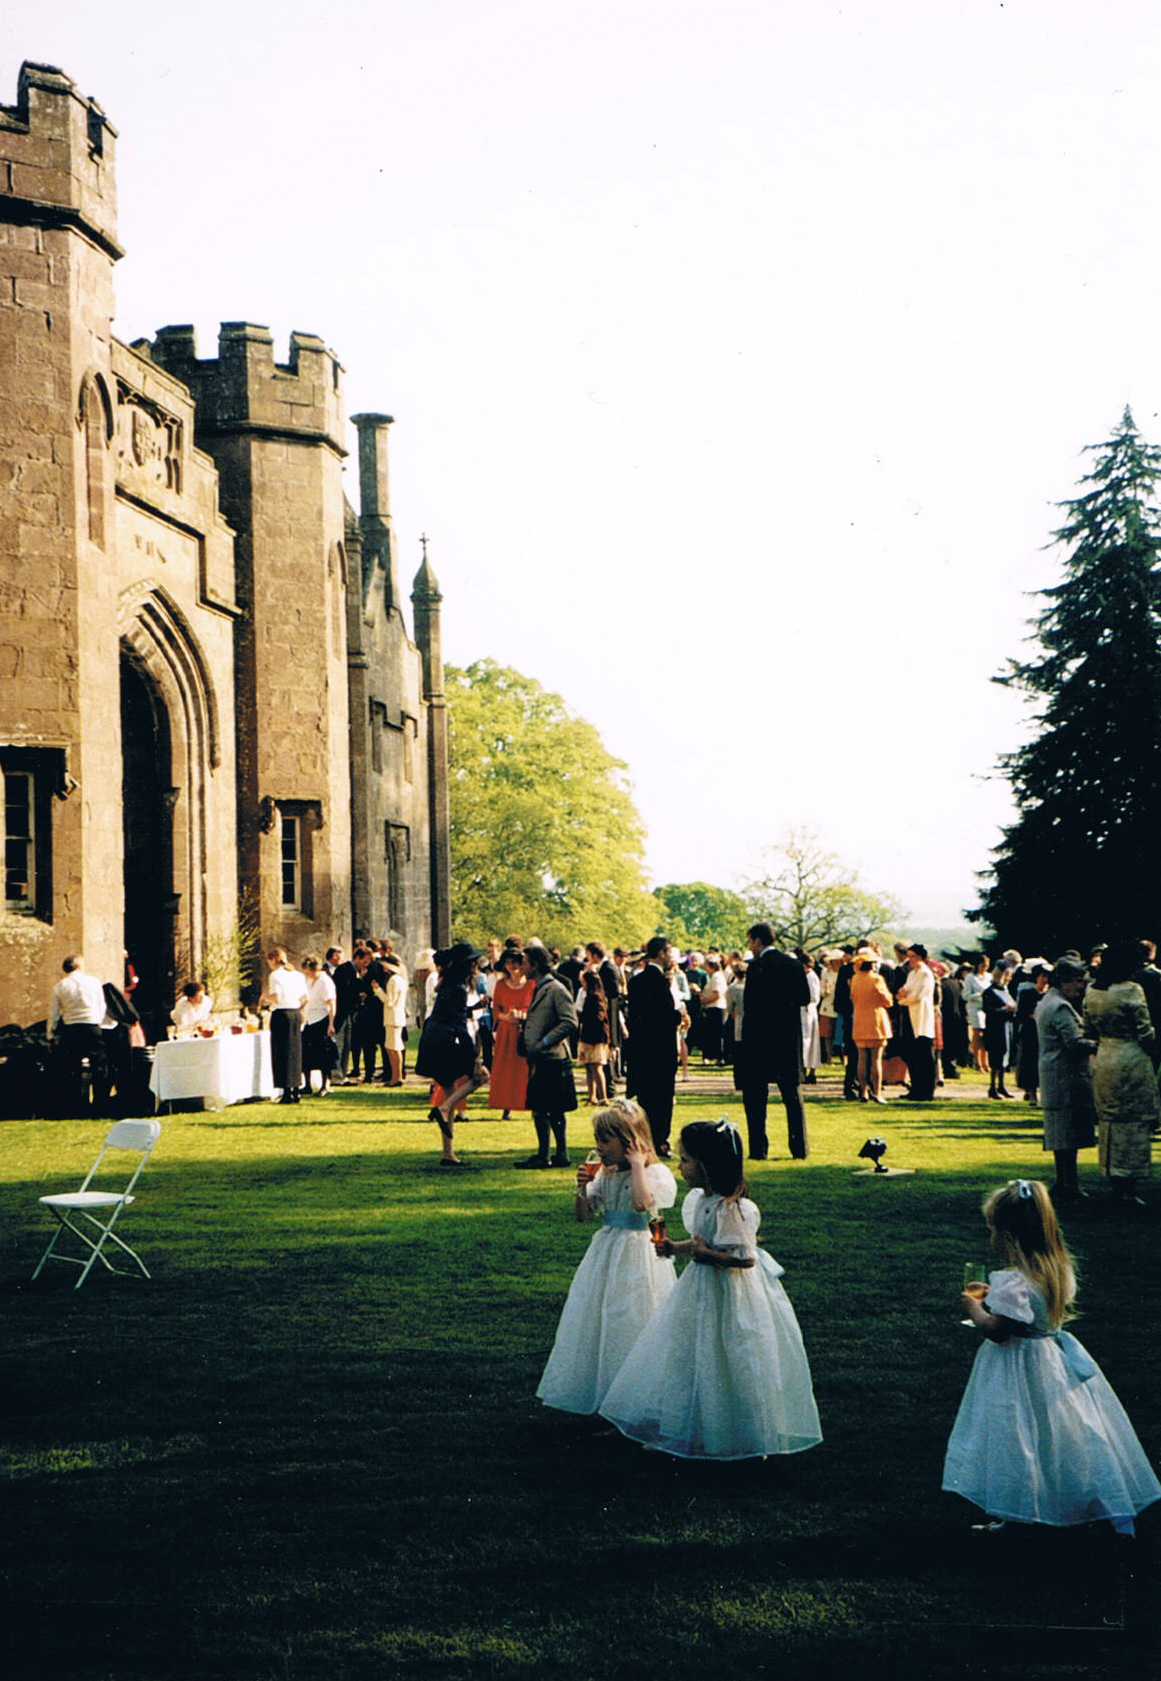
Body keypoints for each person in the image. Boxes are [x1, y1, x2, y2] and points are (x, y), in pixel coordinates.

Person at [943, 1179, 1161, 1534]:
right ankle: (1051, 1502)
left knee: (1017, 1432)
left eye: (992, 1230)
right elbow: (1031, 1313)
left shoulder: (1015, 1282)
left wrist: (975, 1308)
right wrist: (994, 1298)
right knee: (1056, 1431)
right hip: (1052, 1362)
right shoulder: (1057, 1269)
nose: (990, 1238)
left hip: (1017, 1367)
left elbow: (998, 1330)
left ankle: (1020, 1508)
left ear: (1009, 1236)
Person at [599, 1119, 822, 1460]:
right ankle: (690, 1427)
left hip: (729, 1294)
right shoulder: (700, 1201)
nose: (680, 1166)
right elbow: (701, 1241)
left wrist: (707, 1256)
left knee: (730, 1354)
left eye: (686, 1160)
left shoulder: (732, 1208)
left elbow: (744, 1259)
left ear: (706, 1165)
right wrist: (676, 1248)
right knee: (690, 1351)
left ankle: (741, 1433)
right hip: (699, 1289)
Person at [536, 1099, 678, 1414]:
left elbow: (641, 1204)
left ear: (630, 1141)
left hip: (638, 1251)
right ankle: (605, 1394)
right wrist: (581, 1189)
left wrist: (638, 1166)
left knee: (632, 1315)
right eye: (597, 1140)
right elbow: (583, 1216)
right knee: (602, 1316)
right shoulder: (606, 1174)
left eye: (606, 1140)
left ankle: (634, 1399)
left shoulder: (653, 1173)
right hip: (608, 1249)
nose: (599, 1147)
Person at [1083, 939, 1160, 1207]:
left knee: (1110, 1120)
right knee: (1133, 1120)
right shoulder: (1131, 990)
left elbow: (1088, 1029)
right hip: (1131, 1056)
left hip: (1105, 1057)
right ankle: (1129, 1184)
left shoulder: (1093, 991)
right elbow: (1144, 1030)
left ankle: (1113, 1177)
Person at [739, 922, 810, 1159]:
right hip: (786, 1038)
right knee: (792, 1096)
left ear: (758, 941)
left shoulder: (756, 968)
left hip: (760, 1039)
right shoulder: (793, 965)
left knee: (756, 1097)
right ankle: (799, 1148)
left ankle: (758, 1149)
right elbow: (804, 997)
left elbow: (750, 1006)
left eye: (751, 941)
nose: (750, 947)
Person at [414, 943, 489, 1166]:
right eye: (473, 962)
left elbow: (453, 1013)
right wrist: (475, 1058)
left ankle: (448, 1153)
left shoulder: (447, 984)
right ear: (467, 965)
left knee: (449, 1089)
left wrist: (473, 1009)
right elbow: (459, 1026)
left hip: (432, 1039)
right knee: (481, 1077)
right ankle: (445, 1108)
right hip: (446, 1040)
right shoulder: (458, 989)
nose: (476, 965)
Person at [1034, 957, 1097, 1201]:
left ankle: (1064, 1182)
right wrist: (1102, 1044)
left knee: (1060, 1134)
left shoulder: (1046, 1001)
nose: (1081, 987)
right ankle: (1069, 1184)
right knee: (1068, 1135)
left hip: (1053, 1075)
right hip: (1066, 1078)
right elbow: (1074, 1043)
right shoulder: (1061, 1007)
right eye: (1078, 981)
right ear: (1064, 981)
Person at [514, 943, 578, 1168]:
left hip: (552, 1057)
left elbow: (569, 1022)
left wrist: (544, 1042)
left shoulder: (556, 989)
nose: (521, 967)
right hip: (541, 1057)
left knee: (550, 1108)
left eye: (525, 962)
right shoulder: (541, 988)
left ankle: (554, 1154)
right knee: (541, 1108)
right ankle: (548, 1153)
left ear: (535, 965)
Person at [625, 935, 681, 1157]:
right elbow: (663, 1017)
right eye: (669, 952)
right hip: (660, 1049)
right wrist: (679, 1015)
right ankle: (659, 1142)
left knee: (646, 1099)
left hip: (642, 1050)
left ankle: (647, 1139)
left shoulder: (636, 981)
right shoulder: (658, 982)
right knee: (662, 1099)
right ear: (661, 953)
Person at [48, 954, 108, 1112]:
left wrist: (50, 1034)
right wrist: (98, 1022)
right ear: (79, 965)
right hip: (91, 1025)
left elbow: (54, 1014)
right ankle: (100, 1103)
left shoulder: (60, 986)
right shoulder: (94, 982)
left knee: (72, 1067)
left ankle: (75, 1104)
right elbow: (101, 1006)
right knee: (99, 1066)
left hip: (71, 1028)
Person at [487, 947, 534, 1117]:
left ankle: (530, 1104)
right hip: (505, 1032)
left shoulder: (531, 984)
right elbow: (494, 1011)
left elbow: (535, 1009)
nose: (512, 966)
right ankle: (505, 1106)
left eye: (515, 962)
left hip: (524, 1031)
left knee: (524, 1069)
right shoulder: (500, 985)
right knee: (505, 1069)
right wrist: (506, 1017)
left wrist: (522, 1015)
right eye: (508, 963)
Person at [259, 949, 308, 1104]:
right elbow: (305, 997)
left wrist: (265, 997)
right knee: (295, 1052)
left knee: (282, 1052)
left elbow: (277, 997)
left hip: (282, 1014)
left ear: (273, 959)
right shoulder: (298, 975)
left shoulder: (275, 975)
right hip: (295, 1013)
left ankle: (286, 1092)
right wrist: (297, 1008)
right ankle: (296, 1089)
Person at [849, 947, 893, 1104]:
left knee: (862, 1058)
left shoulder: (855, 979)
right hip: (875, 1020)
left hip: (859, 1019)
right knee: (875, 1059)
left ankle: (863, 1091)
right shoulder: (876, 979)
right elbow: (887, 1001)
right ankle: (877, 1092)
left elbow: (853, 997)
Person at [897, 943, 937, 1101]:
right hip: (910, 1016)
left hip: (921, 1018)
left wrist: (903, 998)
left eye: (913, 956)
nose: (910, 960)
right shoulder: (912, 974)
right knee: (912, 1055)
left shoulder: (926, 974)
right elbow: (903, 990)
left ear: (920, 957)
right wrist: (903, 996)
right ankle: (915, 1088)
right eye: (909, 956)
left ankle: (926, 1090)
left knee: (924, 1056)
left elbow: (916, 996)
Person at [300, 956, 337, 1094]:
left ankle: (325, 1085)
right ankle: (307, 1085)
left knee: (324, 1054)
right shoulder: (309, 981)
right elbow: (307, 998)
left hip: (322, 1019)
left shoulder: (325, 981)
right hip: (309, 1019)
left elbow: (331, 1003)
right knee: (306, 1053)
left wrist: (331, 1024)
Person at [980, 961, 1017, 1099]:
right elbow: (988, 1009)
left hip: (1006, 1027)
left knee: (1004, 1057)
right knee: (996, 1058)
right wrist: (1004, 1009)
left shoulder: (1005, 991)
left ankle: (1001, 1085)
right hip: (995, 1029)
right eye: (1007, 975)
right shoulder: (990, 992)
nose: (1010, 978)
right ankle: (992, 1087)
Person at [372, 954, 408, 1086]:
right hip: (394, 1017)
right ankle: (395, 1076)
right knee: (391, 1048)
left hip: (393, 1017)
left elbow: (389, 1001)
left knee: (394, 1048)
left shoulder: (393, 980)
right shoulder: (399, 979)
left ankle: (396, 1078)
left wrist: (377, 990)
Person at [576, 968, 610, 1105]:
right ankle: (592, 1096)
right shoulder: (592, 995)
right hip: (588, 1035)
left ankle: (603, 1097)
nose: (583, 985)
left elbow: (598, 1017)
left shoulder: (595, 997)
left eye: (584, 982)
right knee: (589, 1067)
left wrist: (582, 1017)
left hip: (595, 1036)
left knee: (596, 1067)